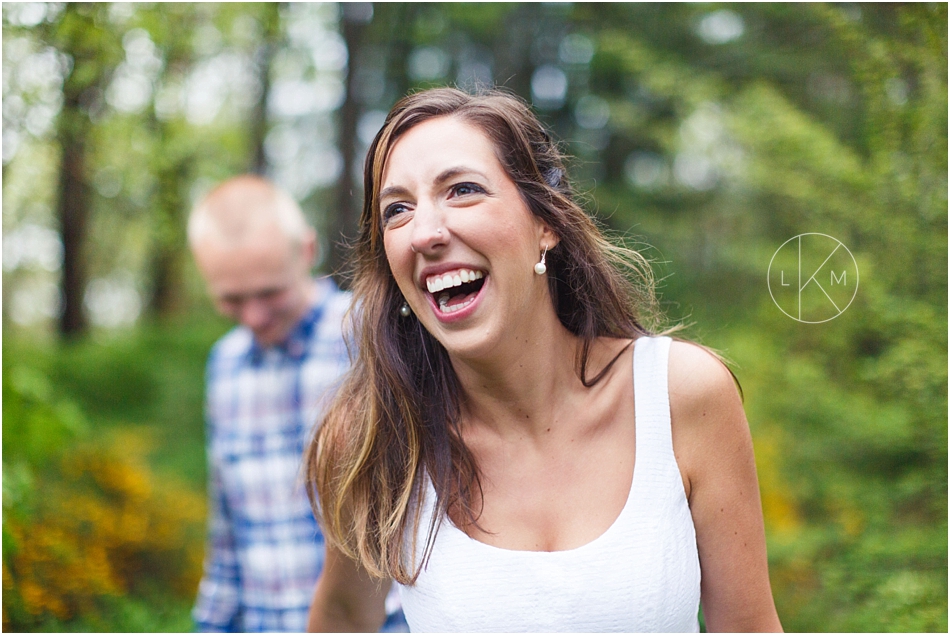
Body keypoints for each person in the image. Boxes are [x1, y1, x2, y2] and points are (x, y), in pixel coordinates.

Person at [304, 88, 783, 632]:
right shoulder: (375, 437)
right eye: (397, 210)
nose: (426, 233)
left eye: (462, 190)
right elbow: (343, 616)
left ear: (545, 223)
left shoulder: (682, 395)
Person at [188, 175, 405, 632]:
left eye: (269, 292)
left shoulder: (376, 335)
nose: (254, 316)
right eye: (231, 298)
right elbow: (227, 531)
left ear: (307, 252)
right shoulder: (224, 366)